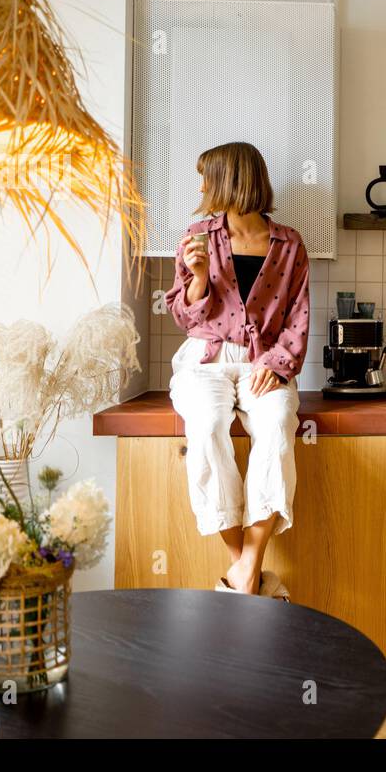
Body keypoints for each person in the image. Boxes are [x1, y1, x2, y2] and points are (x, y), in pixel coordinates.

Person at [165, 142, 310, 595]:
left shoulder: (288, 244)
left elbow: (299, 314)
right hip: (206, 360)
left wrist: (280, 364)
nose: (202, 187)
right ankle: (246, 568)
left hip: (263, 361)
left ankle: (242, 573)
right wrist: (200, 280)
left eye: (207, 177)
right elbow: (185, 318)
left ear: (231, 181)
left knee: (279, 423)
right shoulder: (197, 236)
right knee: (206, 426)